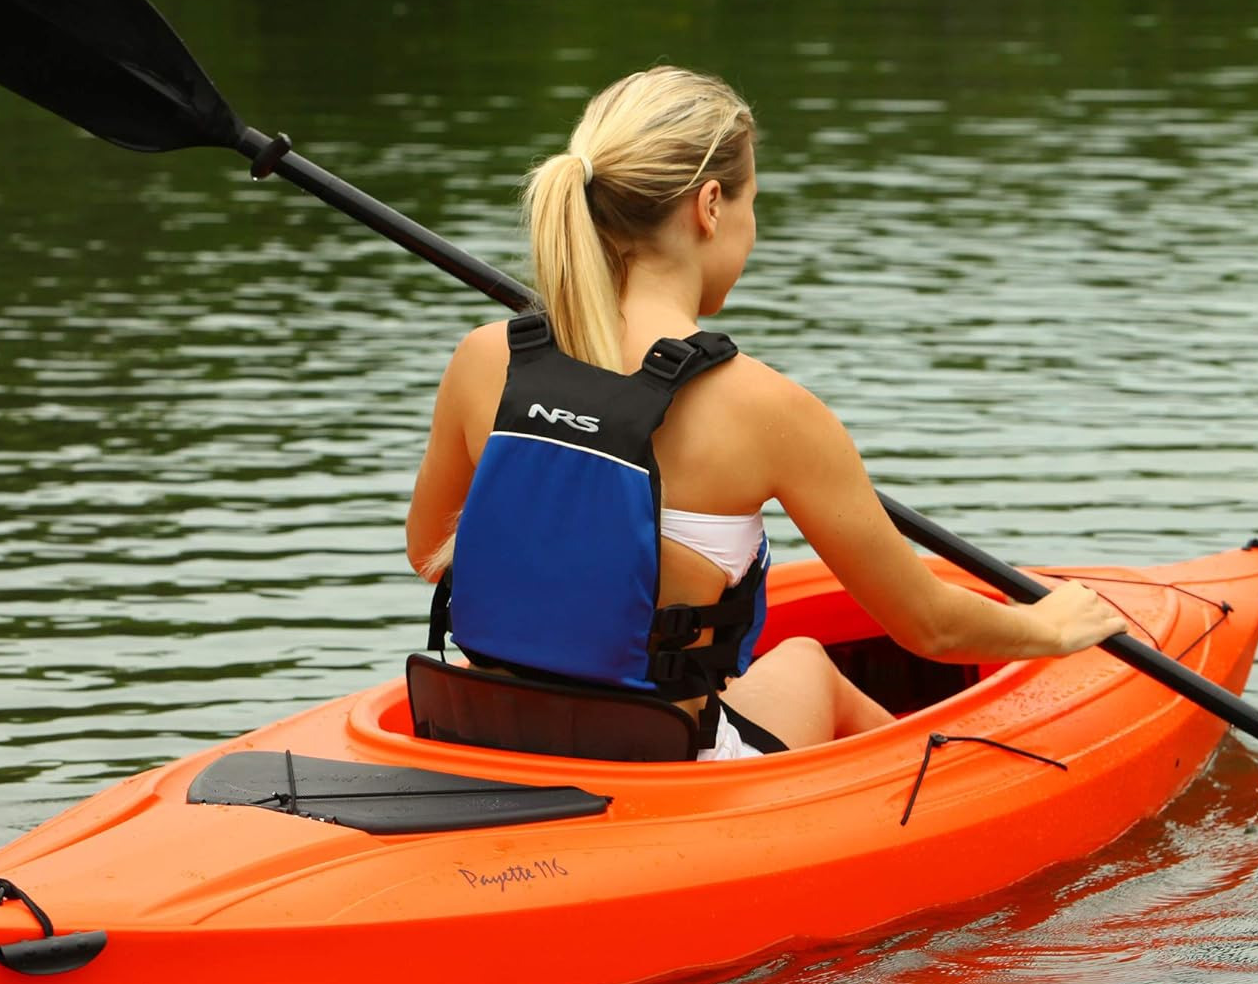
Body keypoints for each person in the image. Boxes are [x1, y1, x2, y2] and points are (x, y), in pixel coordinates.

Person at [407, 65, 1124, 761]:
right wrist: (1047, 626)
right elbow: (929, 627)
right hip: (659, 765)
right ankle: (931, 805)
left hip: (480, 733)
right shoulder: (766, 407)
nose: (752, 229)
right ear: (711, 205)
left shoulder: (487, 356)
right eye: (754, 205)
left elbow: (426, 551)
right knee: (808, 663)